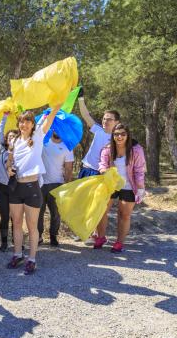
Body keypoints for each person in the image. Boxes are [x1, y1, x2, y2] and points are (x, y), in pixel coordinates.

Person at [6, 104, 61, 275]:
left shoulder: (37, 137)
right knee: (15, 223)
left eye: (28, 122)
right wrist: (8, 168)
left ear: (32, 124)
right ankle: (17, 254)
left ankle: (32, 259)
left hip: (32, 187)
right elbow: (9, 160)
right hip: (16, 187)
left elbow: (50, 118)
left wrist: (56, 103)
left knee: (31, 226)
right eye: (22, 122)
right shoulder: (14, 140)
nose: (24, 125)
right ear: (19, 124)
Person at [78, 90, 121, 242]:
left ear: (116, 122)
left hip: (100, 174)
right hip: (86, 170)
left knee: (98, 207)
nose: (105, 121)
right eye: (104, 119)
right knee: (84, 204)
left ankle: (97, 235)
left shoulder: (118, 138)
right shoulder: (97, 130)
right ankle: (86, 232)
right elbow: (86, 116)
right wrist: (81, 99)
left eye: (109, 119)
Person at [95, 124, 146, 252]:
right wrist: (103, 170)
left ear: (127, 135)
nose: (119, 136)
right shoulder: (107, 149)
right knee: (101, 211)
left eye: (123, 134)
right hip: (111, 184)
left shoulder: (136, 150)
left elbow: (139, 170)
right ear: (112, 136)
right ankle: (101, 237)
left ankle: (119, 242)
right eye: (116, 134)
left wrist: (140, 188)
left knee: (124, 215)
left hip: (129, 186)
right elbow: (102, 164)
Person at [37, 132, 74, 247]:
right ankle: (38, 236)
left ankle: (53, 236)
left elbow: (68, 168)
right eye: (55, 129)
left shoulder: (68, 147)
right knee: (39, 212)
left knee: (56, 213)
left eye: (60, 129)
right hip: (40, 183)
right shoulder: (43, 142)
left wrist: (67, 186)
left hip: (57, 184)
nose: (57, 131)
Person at [0, 113, 19, 251]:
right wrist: (4, 117)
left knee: (15, 217)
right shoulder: (3, 150)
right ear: (6, 140)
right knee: (4, 215)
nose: (11, 139)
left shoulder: (21, 152)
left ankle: (17, 241)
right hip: (1, 188)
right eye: (9, 137)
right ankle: (4, 243)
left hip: (15, 188)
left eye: (14, 137)